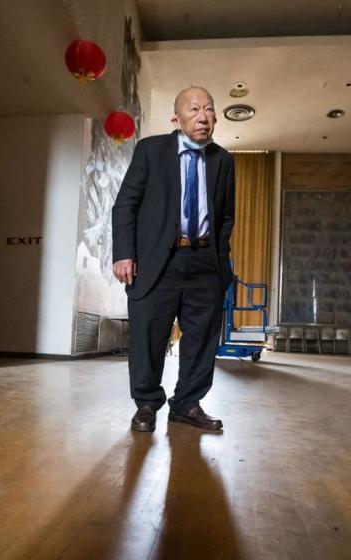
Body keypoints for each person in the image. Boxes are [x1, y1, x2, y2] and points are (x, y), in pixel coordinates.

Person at [112, 86, 235, 433]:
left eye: (209, 109)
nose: (203, 116)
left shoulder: (223, 160)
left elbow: (226, 217)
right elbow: (126, 205)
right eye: (194, 109)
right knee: (149, 334)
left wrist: (219, 259)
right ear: (176, 118)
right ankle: (147, 403)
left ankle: (187, 404)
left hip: (205, 264)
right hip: (157, 261)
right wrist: (124, 253)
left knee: (201, 337)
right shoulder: (151, 151)